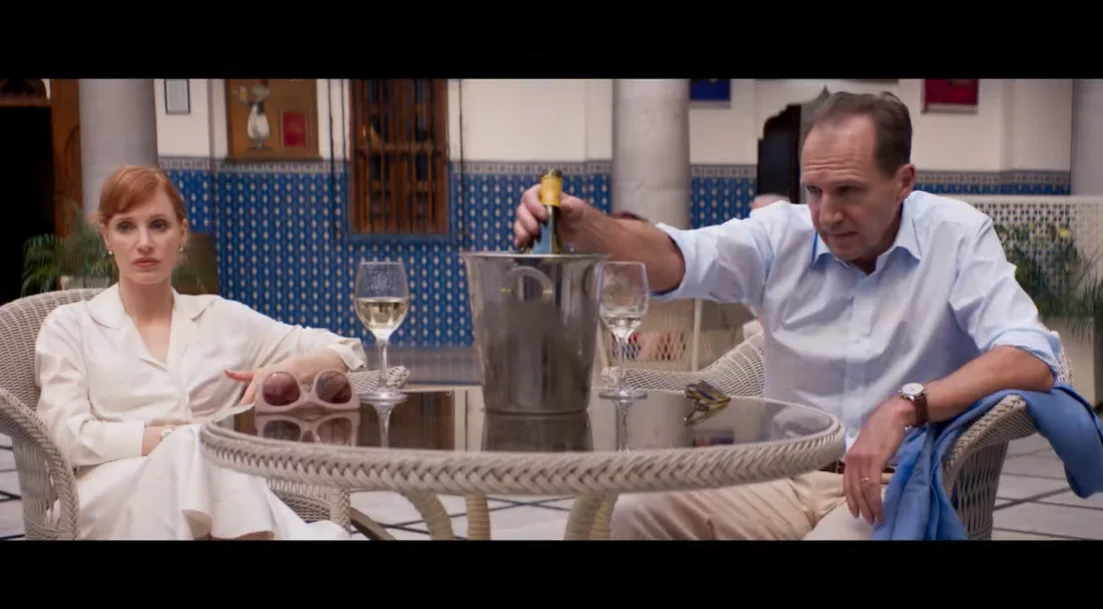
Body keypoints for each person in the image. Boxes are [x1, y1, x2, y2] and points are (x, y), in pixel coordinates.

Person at [512, 91, 1062, 540]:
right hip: (776, 476)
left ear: (903, 182)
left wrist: (906, 405)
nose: (827, 215)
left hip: (891, 483)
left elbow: (1032, 356)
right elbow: (679, 256)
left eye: (848, 191)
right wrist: (587, 227)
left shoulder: (957, 236)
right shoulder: (782, 235)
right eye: (814, 191)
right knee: (636, 513)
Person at [34, 165, 365, 540]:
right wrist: (171, 437)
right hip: (106, 497)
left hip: (216, 491)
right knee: (200, 445)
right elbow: (64, 435)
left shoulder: (222, 318)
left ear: (182, 233)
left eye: (159, 225)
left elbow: (347, 350)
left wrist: (288, 370)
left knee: (205, 453)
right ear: (106, 235)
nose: (144, 242)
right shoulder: (70, 326)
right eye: (126, 226)